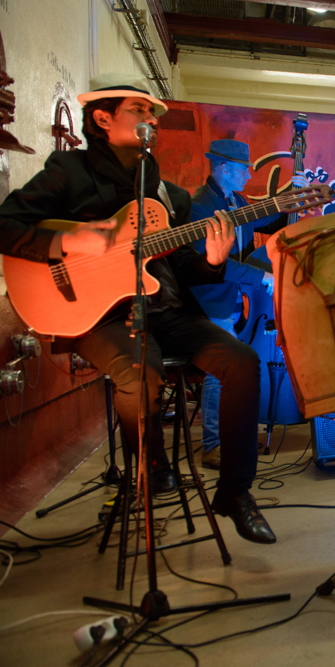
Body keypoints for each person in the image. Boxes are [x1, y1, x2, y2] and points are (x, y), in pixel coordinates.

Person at [0, 73, 276, 544]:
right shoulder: (70, 171)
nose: (151, 118)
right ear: (103, 118)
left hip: (165, 311)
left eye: (153, 112)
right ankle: (152, 465)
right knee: (139, 373)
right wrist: (70, 241)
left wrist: (212, 262)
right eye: (139, 109)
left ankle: (235, 492)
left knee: (242, 362)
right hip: (98, 315)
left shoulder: (171, 195)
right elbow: (6, 225)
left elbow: (183, 266)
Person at [188, 139, 306, 471]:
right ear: (224, 169)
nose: (248, 175)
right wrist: (262, 277)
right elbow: (215, 264)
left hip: (230, 302)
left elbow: (268, 222)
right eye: (243, 169)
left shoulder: (235, 201)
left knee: (236, 371)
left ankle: (233, 437)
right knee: (220, 371)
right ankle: (213, 445)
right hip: (208, 303)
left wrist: (292, 197)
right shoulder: (201, 207)